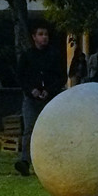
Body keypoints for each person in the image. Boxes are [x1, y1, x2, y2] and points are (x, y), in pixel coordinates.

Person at [15, 22, 65, 176]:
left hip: (50, 97)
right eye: (41, 34)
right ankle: (25, 160)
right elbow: (21, 77)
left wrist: (49, 90)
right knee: (29, 128)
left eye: (46, 35)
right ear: (34, 37)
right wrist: (32, 90)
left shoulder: (55, 55)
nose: (44, 38)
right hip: (32, 98)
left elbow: (62, 76)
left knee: (51, 130)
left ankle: (53, 162)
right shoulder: (27, 56)